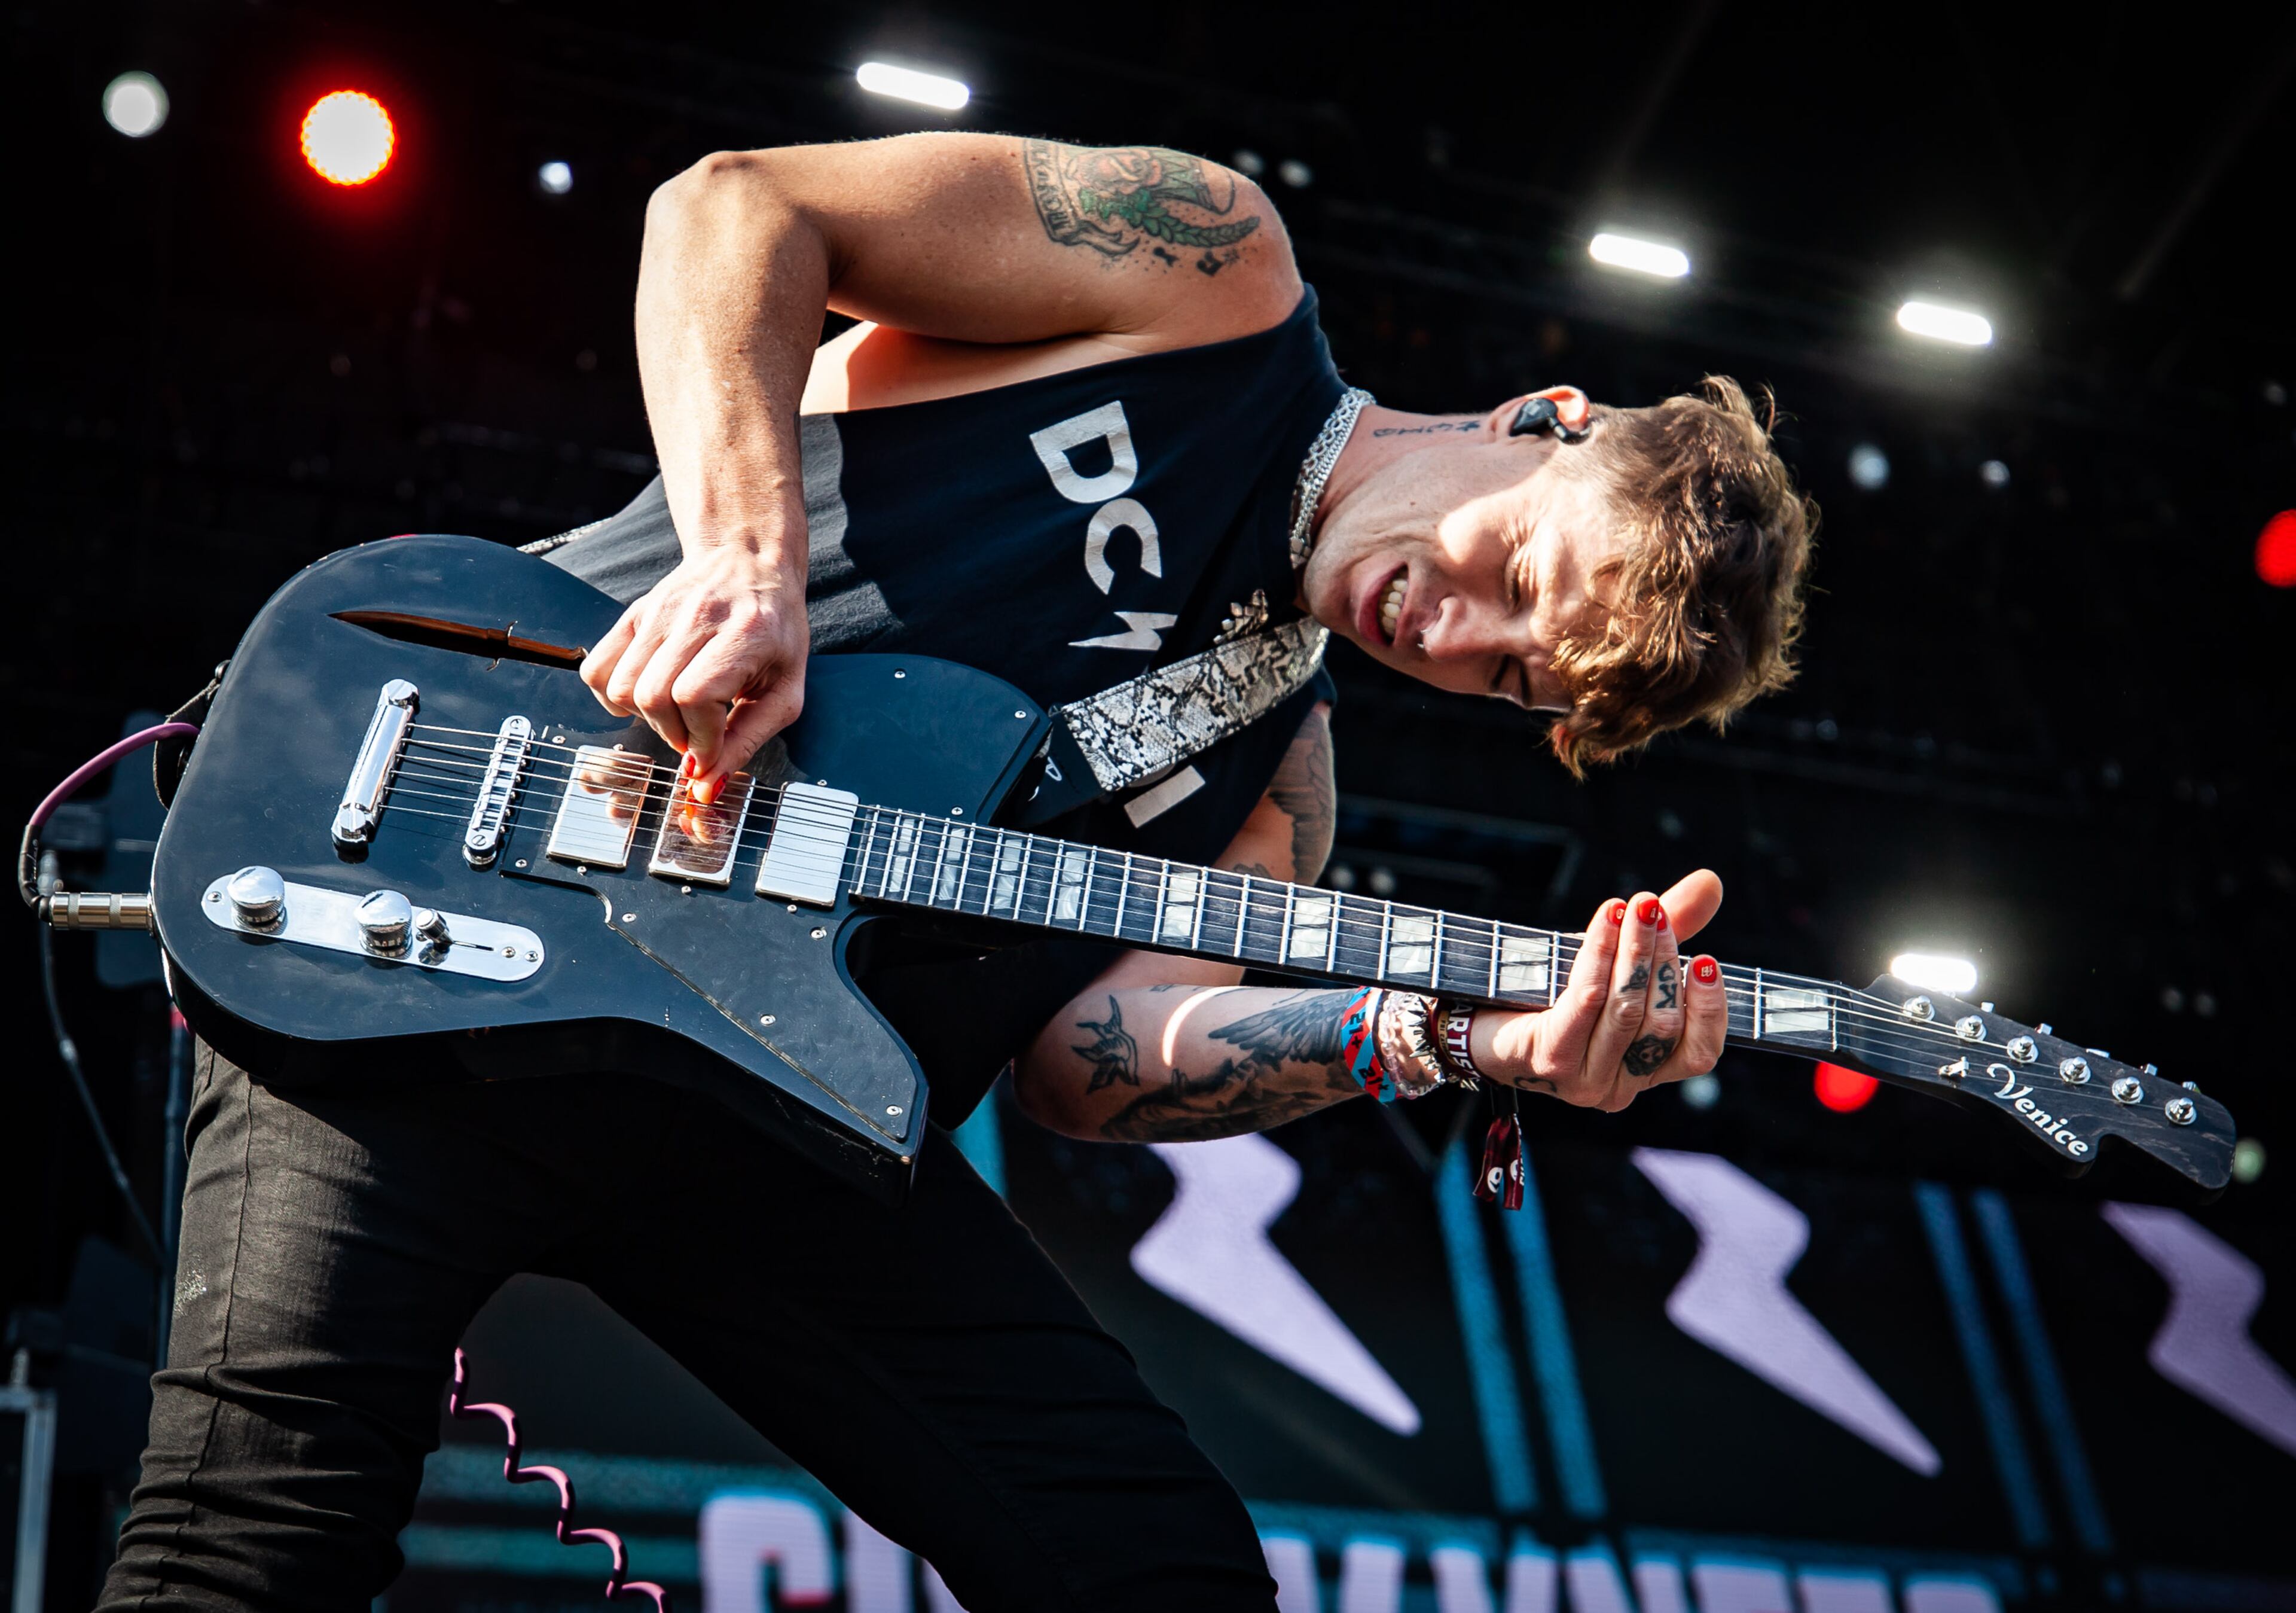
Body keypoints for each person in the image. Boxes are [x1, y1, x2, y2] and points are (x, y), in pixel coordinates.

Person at [102, 134, 1813, 1611]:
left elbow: (1090, 1067)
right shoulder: (1212, 274)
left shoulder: (1279, 775)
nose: (1454, 629)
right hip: (441, 901)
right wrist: (746, 560)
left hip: (759, 1122)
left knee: (1160, 1570)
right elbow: (734, 207)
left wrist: (1462, 1042)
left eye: (1512, 673)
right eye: (1518, 567)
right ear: (1541, 420)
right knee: (255, 1542)